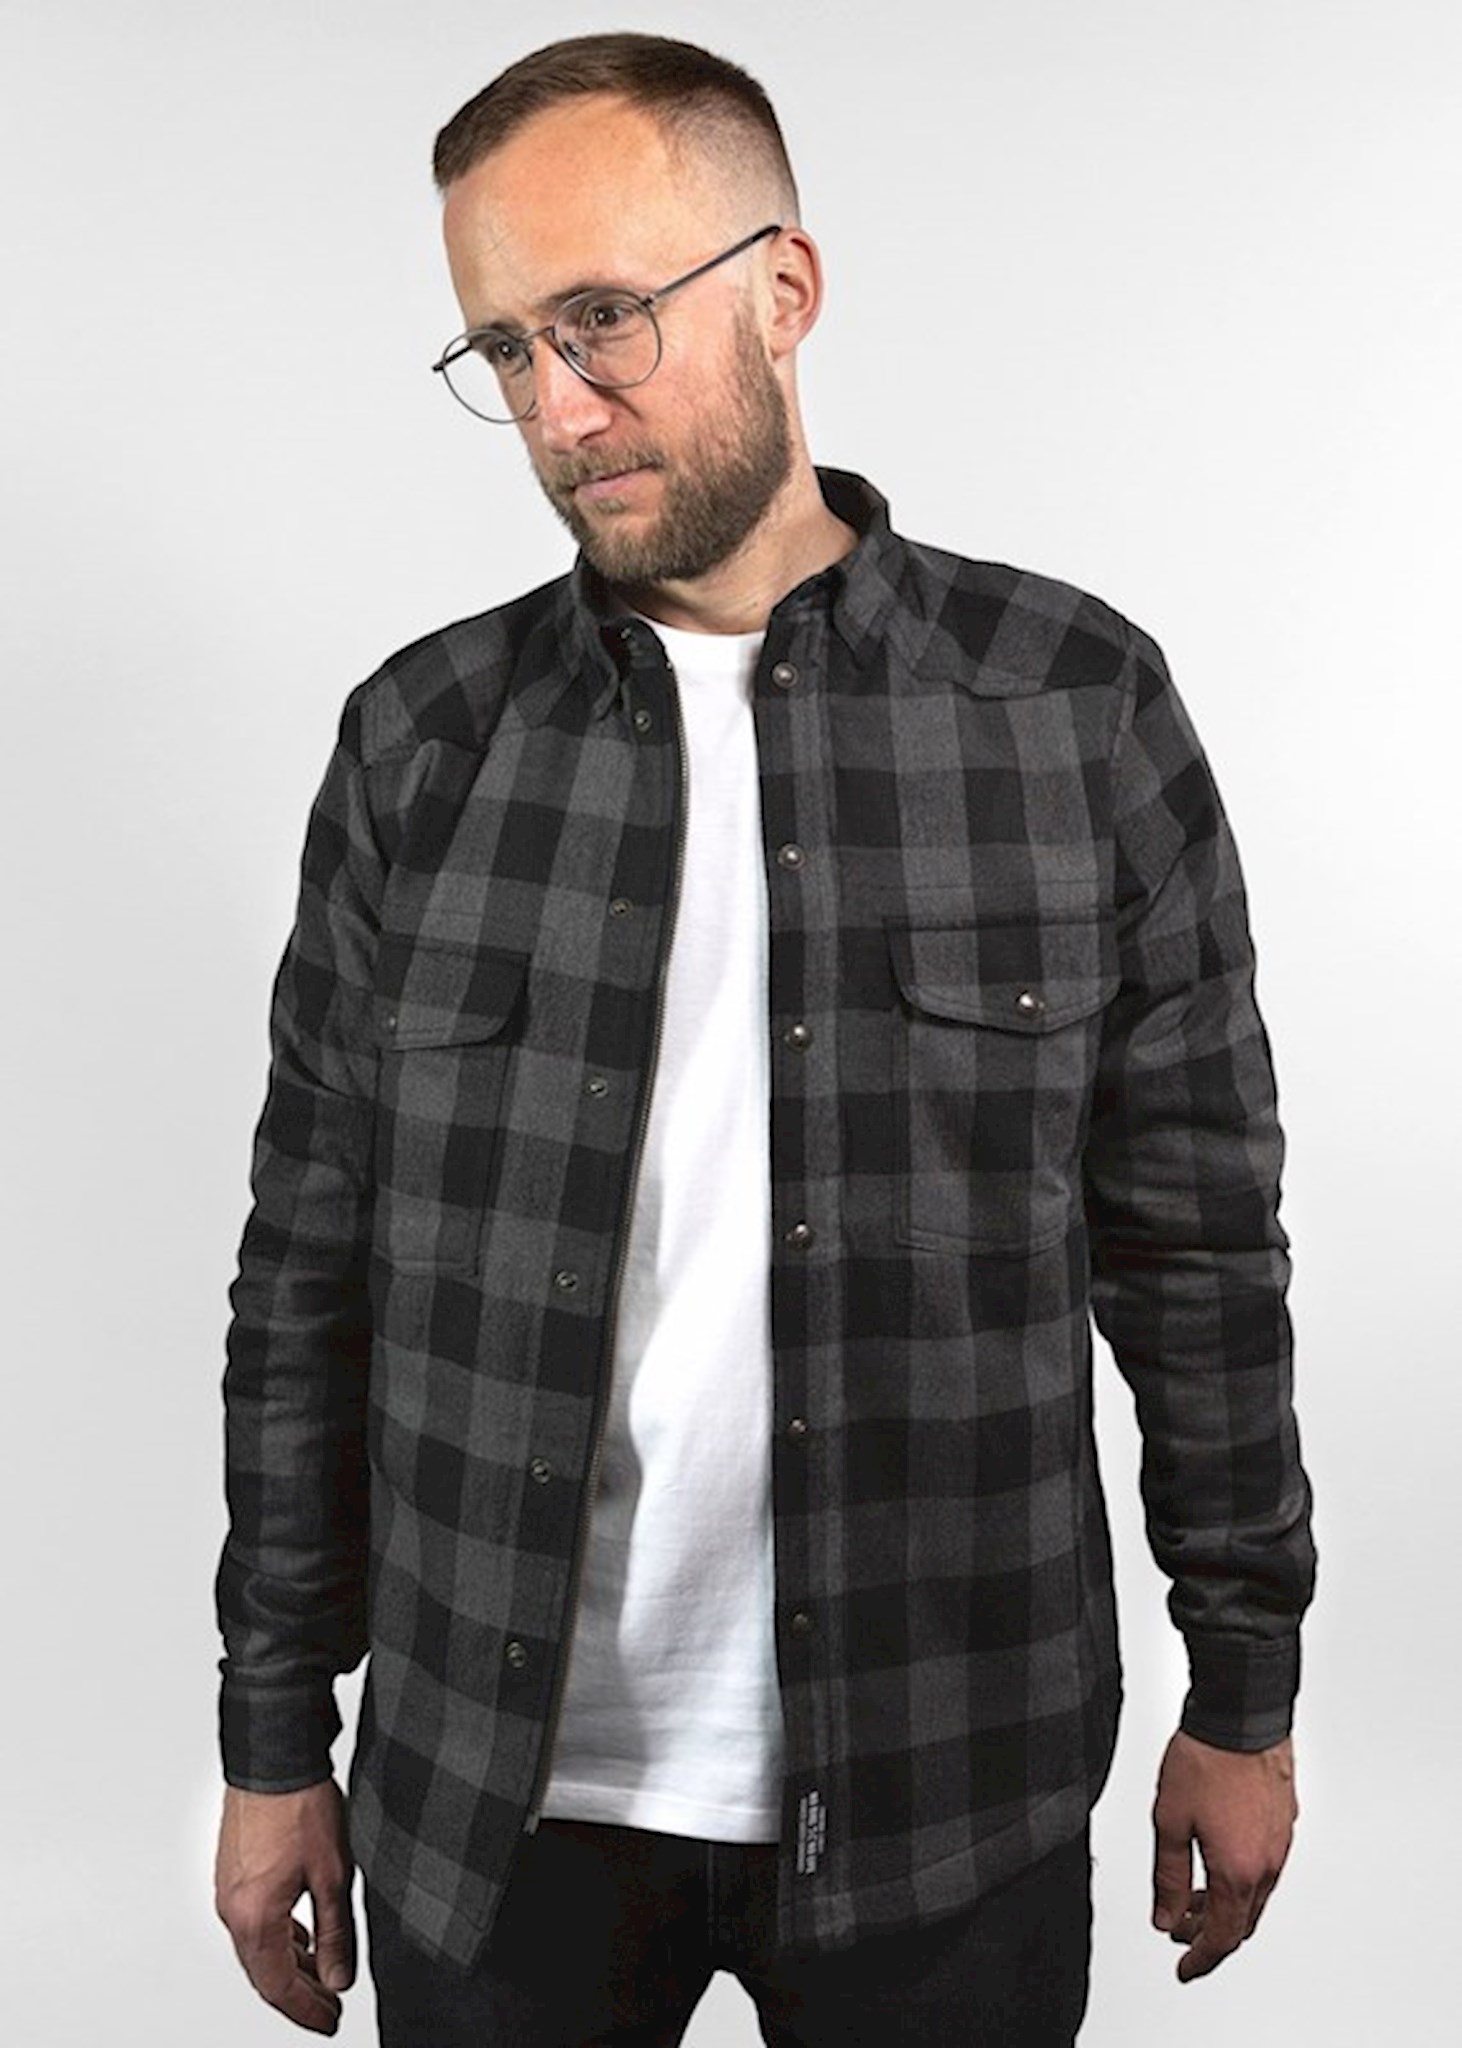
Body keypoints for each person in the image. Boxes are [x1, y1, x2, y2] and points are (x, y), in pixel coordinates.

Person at [212, 31, 1315, 2047]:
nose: (558, 406)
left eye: (602, 319)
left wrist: (1240, 1690)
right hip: (492, 1806)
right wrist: (271, 1734)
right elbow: (307, 1280)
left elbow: (1197, 1254)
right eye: (504, 349)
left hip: (949, 1779)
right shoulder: (422, 745)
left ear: (783, 289)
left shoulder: (1070, 708)